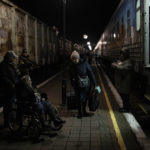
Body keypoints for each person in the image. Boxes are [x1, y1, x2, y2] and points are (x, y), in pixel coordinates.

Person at [69, 50, 97, 119]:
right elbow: (70, 75)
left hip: (85, 85)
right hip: (77, 85)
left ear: (78, 58)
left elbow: (91, 73)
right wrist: (72, 83)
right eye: (73, 59)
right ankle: (80, 113)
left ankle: (83, 111)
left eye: (75, 58)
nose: (74, 60)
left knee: (84, 98)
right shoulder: (71, 65)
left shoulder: (85, 63)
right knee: (78, 99)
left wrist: (95, 83)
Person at [0, 50, 19, 127]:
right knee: (7, 105)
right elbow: (3, 77)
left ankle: (12, 120)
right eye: (12, 58)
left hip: (12, 88)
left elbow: (15, 74)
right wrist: (11, 84)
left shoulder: (11, 64)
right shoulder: (3, 65)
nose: (13, 59)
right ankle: (7, 123)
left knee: (12, 104)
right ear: (9, 57)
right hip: (6, 89)